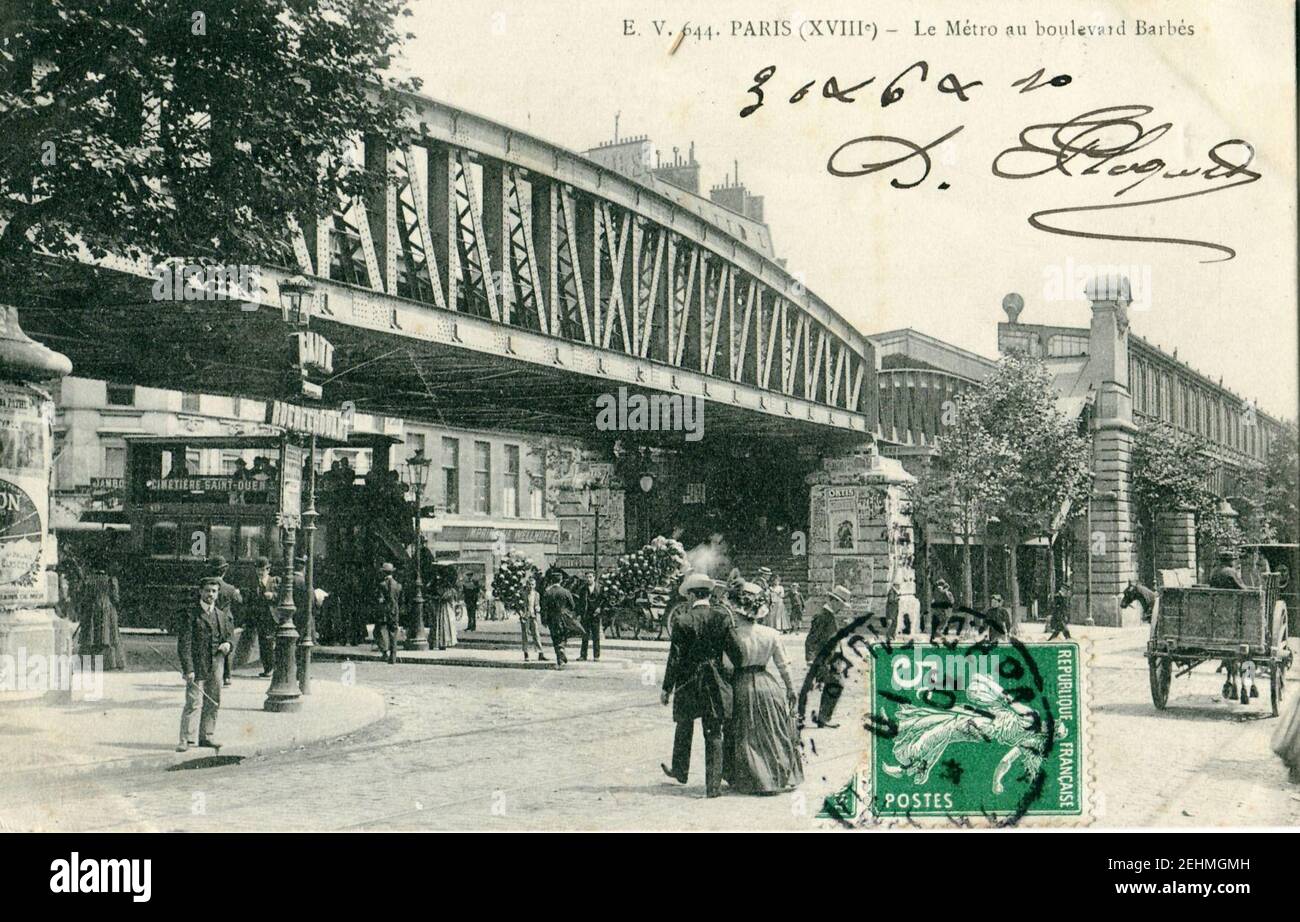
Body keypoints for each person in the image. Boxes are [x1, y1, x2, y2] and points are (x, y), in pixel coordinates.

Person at [660, 573, 736, 798]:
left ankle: (680, 771)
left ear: (692, 595)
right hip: (714, 681)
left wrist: (667, 688)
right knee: (713, 731)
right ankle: (713, 787)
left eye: (688, 596)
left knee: (684, 724)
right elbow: (735, 651)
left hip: (688, 682)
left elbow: (674, 658)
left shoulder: (682, 620)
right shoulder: (721, 618)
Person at [728, 582, 803, 795]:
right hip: (768, 684)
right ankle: (779, 776)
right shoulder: (771, 634)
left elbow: (726, 664)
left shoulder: (733, 634)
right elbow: (783, 665)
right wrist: (791, 689)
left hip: (741, 684)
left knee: (746, 733)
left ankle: (753, 778)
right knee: (774, 731)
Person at [176, 578, 234, 752]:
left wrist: (228, 645)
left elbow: (229, 637)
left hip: (216, 663)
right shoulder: (190, 615)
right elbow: (184, 644)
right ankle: (186, 739)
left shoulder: (221, 616)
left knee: (213, 700)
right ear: (201, 592)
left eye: (214, 591)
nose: (210, 595)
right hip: (197, 663)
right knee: (193, 702)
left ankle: (207, 736)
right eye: (208, 591)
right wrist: (188, 669)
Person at [805, 585, 850, 728]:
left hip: (832, 659)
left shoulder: (829, 616)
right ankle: (823, 717)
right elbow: (811, 640)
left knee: (834, 684)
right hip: (823, 660)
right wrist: (811, 660)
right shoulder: (822, 616)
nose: (842, 608)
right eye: (841, 605)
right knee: (836, 683)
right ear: (833, 601)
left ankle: (823, 717)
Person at [76, 561, 125, 670]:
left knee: (90, 637)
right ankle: (110, 663)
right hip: (108, 610)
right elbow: (116, 598)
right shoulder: (111, 580)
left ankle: (88, 663)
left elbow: (83, 597)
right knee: (110, 636)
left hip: (91, 610)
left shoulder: (88, 580)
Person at [207, 556, 243, 686]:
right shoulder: (230, 588)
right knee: (227, 646)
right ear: (224, 571)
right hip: (226, 620)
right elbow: (240, 601)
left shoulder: (207, 587)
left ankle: (211, 674)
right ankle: (227, 676)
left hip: (211, 618)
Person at [541, 570, 580, 667]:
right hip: (563, 617)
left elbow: (543, 607)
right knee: (563, 635)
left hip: (551, 618)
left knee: (554, 637)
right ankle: (562, 649)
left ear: (551, 581)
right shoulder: (566, 592)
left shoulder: (547, 592)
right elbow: (572, 606)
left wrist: (544, 619)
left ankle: (559, 659)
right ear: (561, 580)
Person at [375, 562, 402, 664]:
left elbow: (380, 600)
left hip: (384, 611)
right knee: (393, 633)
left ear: (384, 573)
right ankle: (393, 656)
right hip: (394, 611)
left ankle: (384, 651)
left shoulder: (381, 585)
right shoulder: (398, 585)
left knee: (380, 630)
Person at [520, 577, 547, 662]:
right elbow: (518, 605)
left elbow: (537, 604)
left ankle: (540, 653)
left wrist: (538, 608)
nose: (531, 586)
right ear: (527, 585)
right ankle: (526, 653)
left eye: (532, 584)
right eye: (529, 584)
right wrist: (521, 614)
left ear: (535, 585)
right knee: (526, 635)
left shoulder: (536, 594)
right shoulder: (523, 593)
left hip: (533, 616)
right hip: (525, 616)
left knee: (536, 634)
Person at [578, 572, 602, 661]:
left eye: (590, 577)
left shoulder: (600, 588)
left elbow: (604, 600)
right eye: (587, 577)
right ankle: (583, 655)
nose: (588, 579)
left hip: (595, 615)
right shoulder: (583, 589)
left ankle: (596, 656)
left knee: (596, 636)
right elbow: (580, 603)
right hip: (586, 615)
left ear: (594, 578)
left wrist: (600, 608)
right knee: (585, 635)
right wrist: (580, 614)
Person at [433, 566, 459, 650]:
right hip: (447, 607)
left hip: (445, 607)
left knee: (443, 623)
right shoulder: (451, 588)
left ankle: (443, 642)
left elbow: (442, 596)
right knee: (446, 624)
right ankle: (445, 641)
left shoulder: (446, 588)